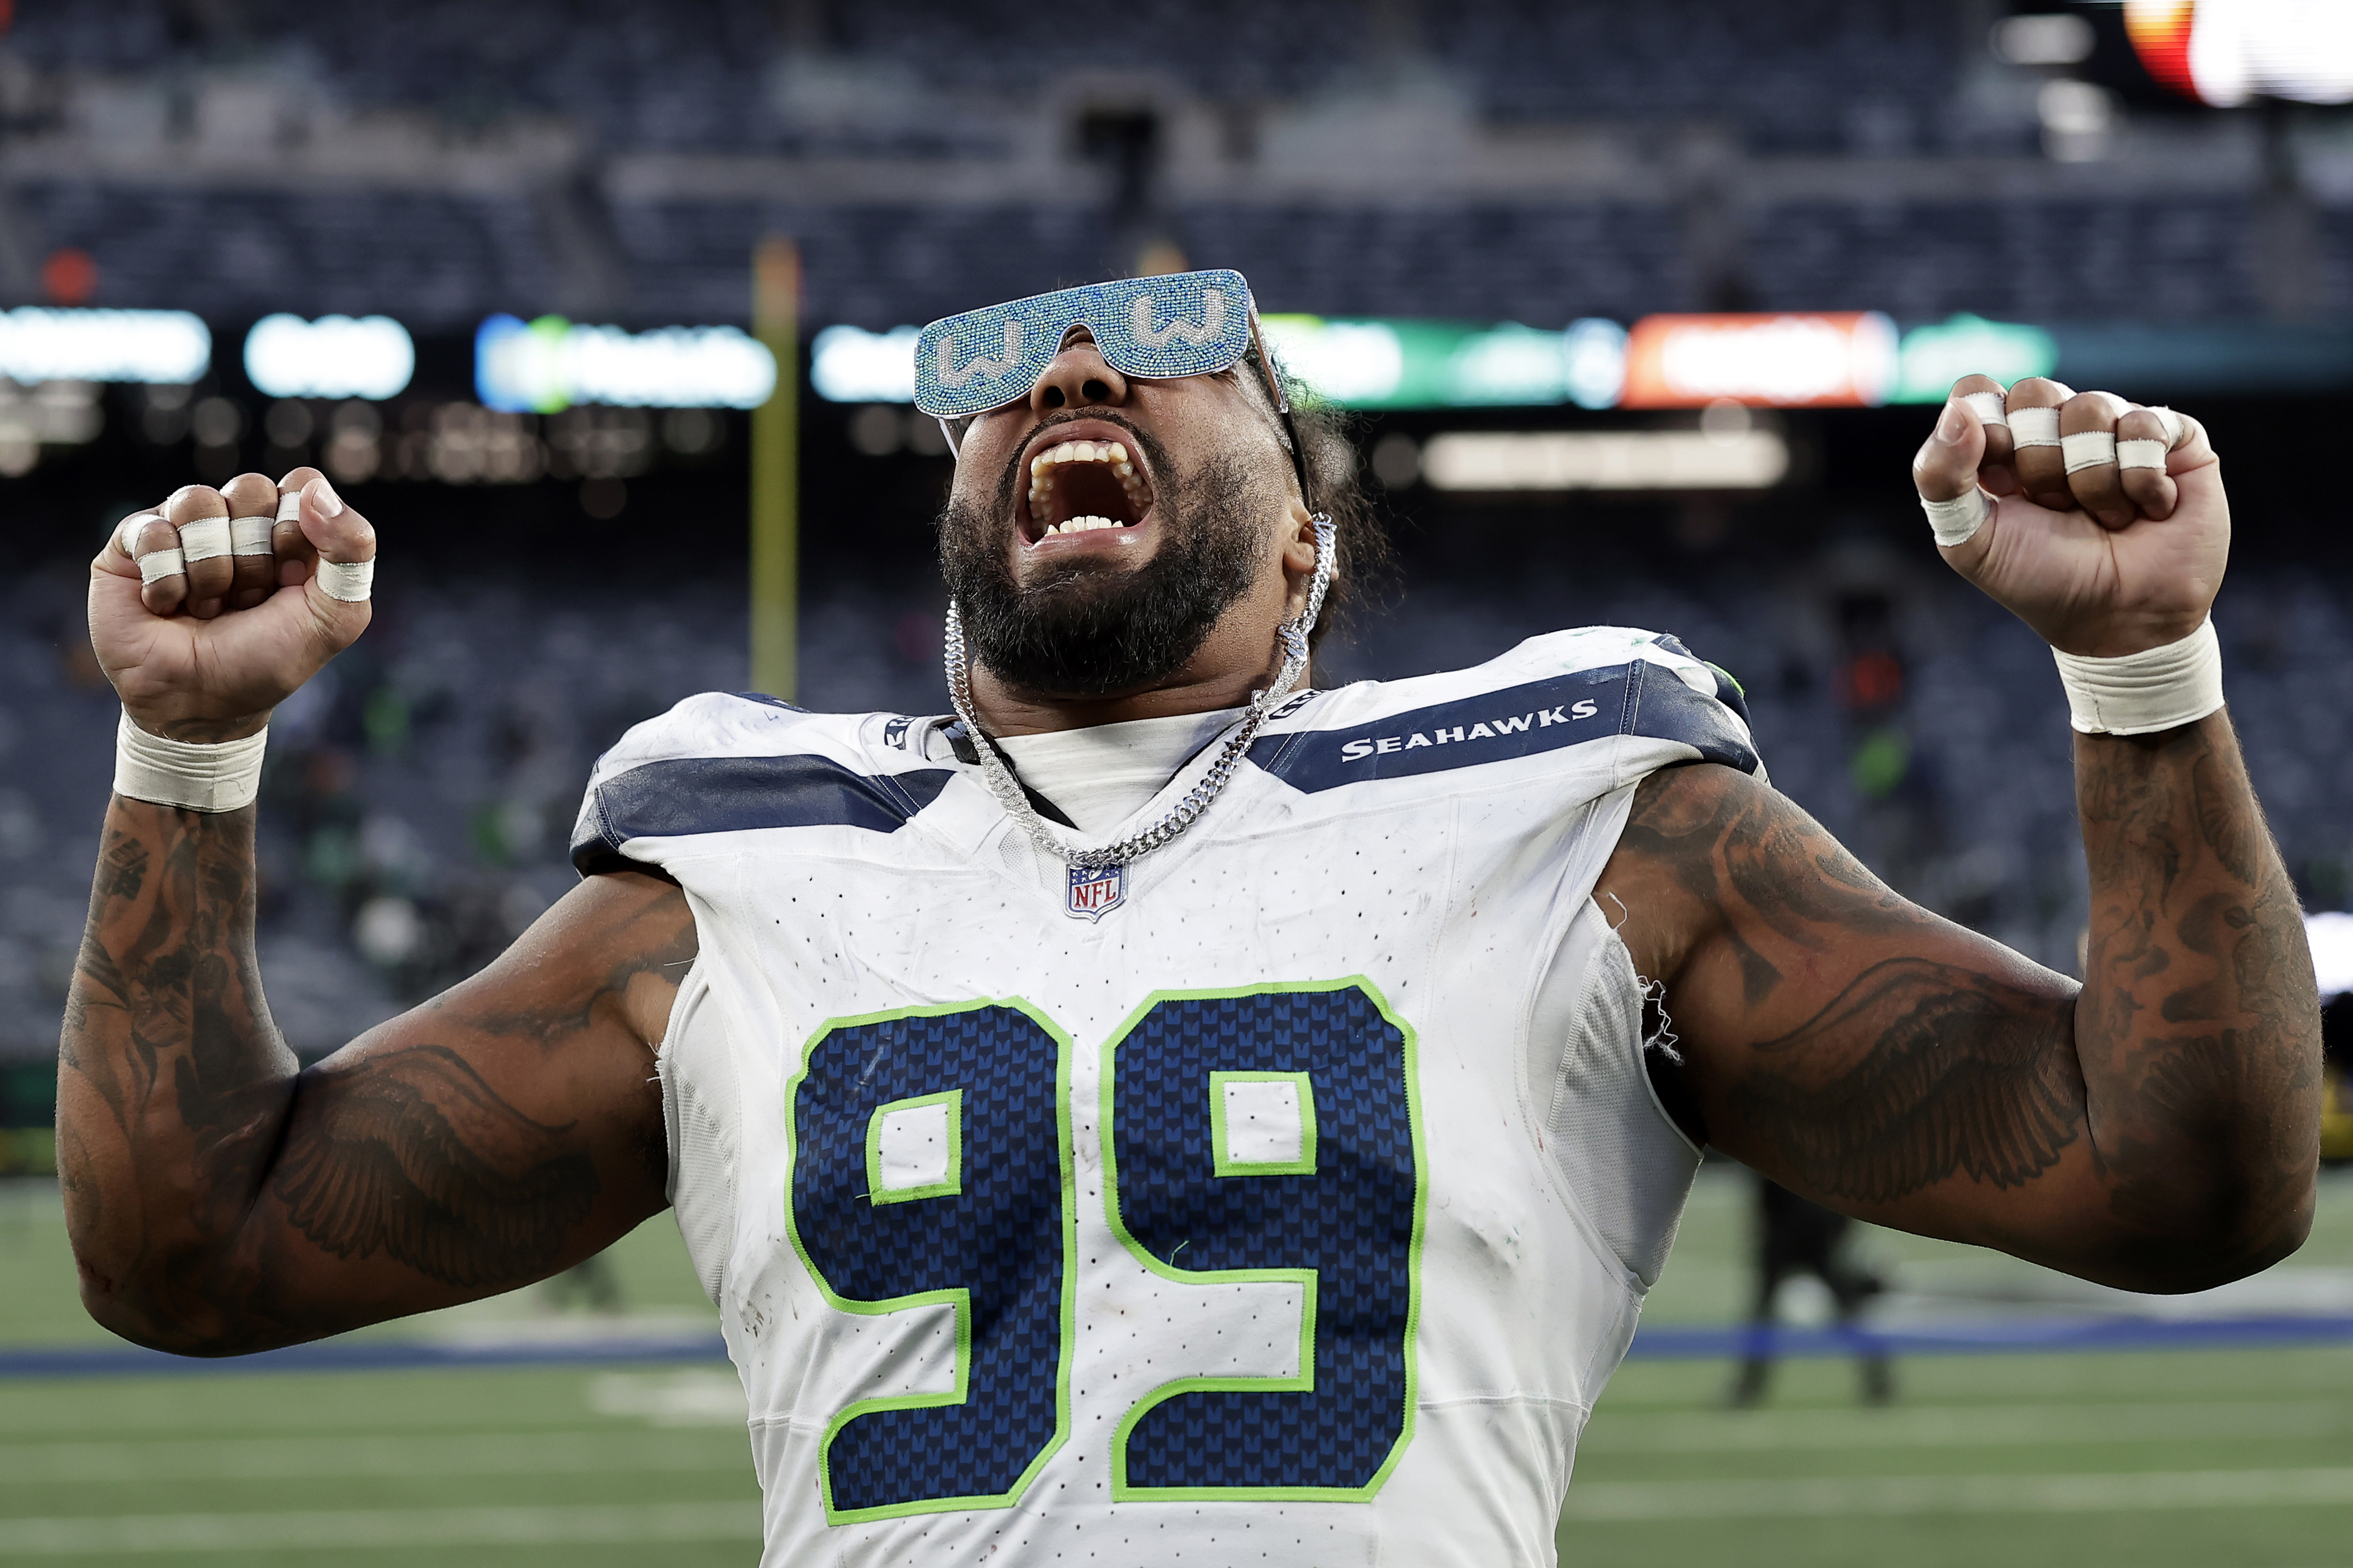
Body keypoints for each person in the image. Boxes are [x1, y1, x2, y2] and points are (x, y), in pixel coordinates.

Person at [61, 268, 2319, 1567]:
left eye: (1166, 347)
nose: (1064, 375)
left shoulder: (1582, 797)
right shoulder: (728, 855)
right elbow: (197, 1247)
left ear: (1304, 537)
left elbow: (2177, 1173)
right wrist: (185, 747)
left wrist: (2134, 671)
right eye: (1008, 377)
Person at [1727, 1174, 1891, 1408]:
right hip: (1795, 1232)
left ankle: (1879, 1380)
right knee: (1763, 1317)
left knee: (1847, 1312)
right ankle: (1749, 1385)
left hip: (1809, 1233)